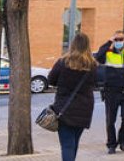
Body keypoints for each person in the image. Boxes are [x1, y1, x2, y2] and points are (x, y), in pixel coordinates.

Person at [46, 32, 99, 161]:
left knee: (67, 145)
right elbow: (96, 82)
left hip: (64, 109)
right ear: (87, 46)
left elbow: (51, 80)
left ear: (73, 45)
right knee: (74, 143)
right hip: (84, 109)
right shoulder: (92, 65)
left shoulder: (63, 62)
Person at [94, 29, 124, 154]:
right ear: (113, 40)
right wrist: (108, 42)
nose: (119, 41)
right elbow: (98, 57)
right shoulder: (108, 53)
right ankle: (111, 144)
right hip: (111, 92)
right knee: (111, 120)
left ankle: (121, 139)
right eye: (116, 39)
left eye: (121, 39)